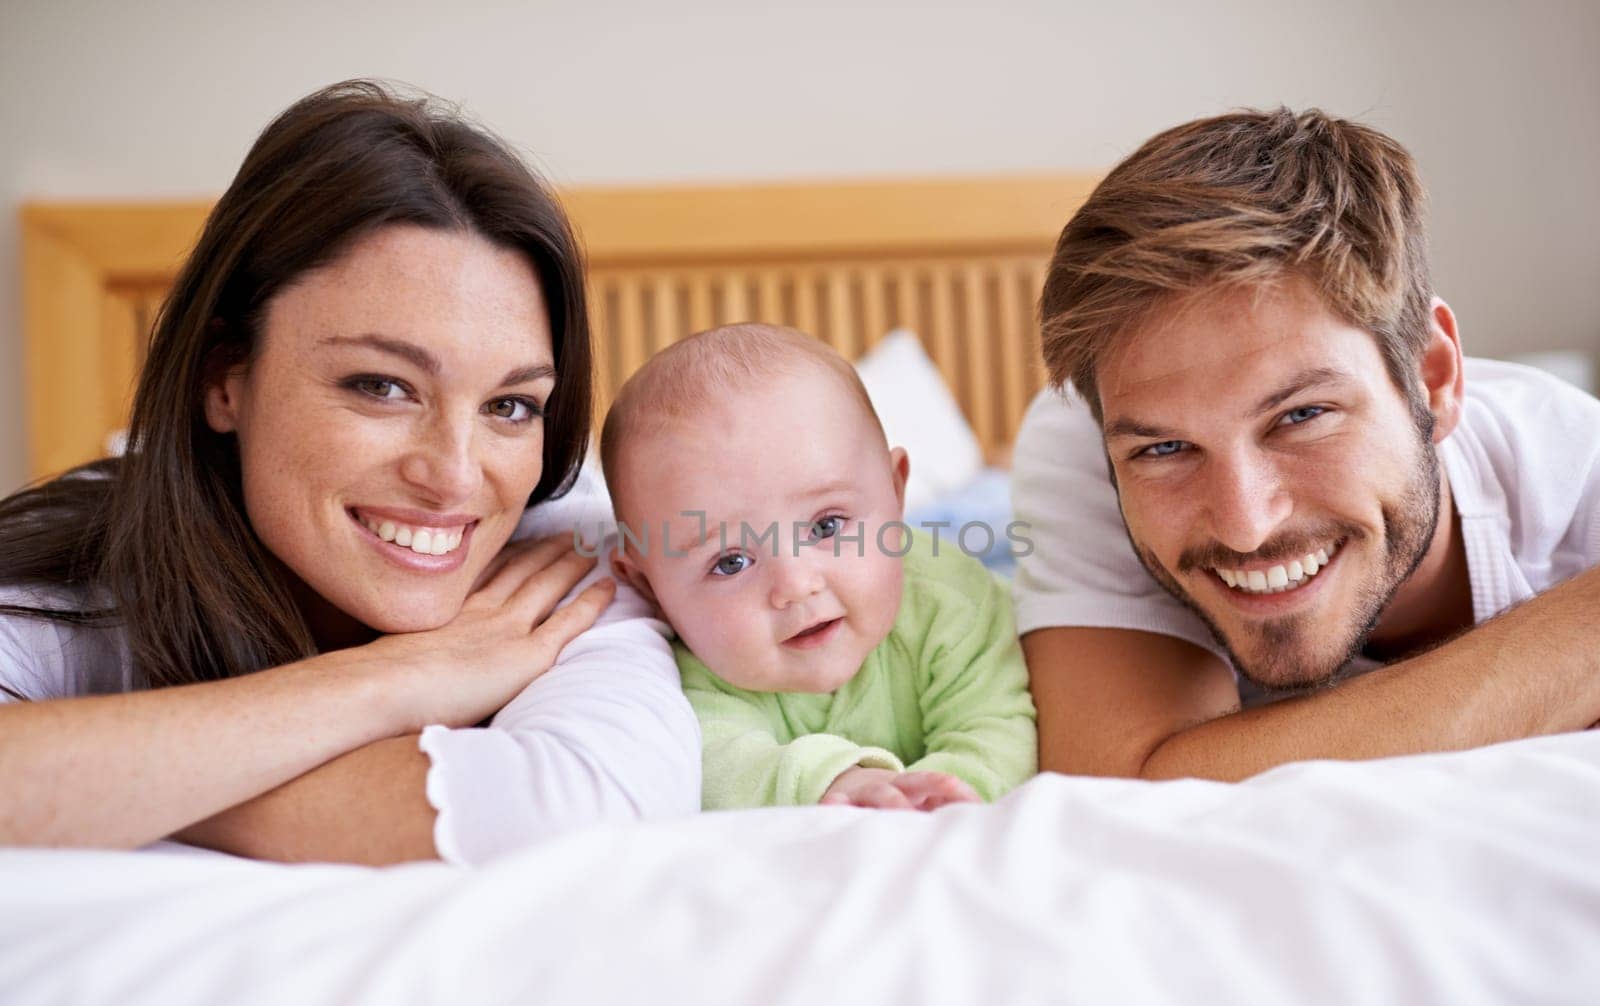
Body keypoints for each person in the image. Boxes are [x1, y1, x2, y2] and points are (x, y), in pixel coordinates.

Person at [0, 81, 700, 864]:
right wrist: (390, 680)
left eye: (509, 405)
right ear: (224, 378)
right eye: (382, 386)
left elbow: (584, 811)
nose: (455, 476)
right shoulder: (75, 584)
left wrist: (116, 784)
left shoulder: (561, 559)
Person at [1013, 107, 1600, 782]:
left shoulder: (1578, 487)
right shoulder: (1085, 435)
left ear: (1434, 377)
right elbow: (1128, 782)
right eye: (1167, 450)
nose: (1244, 525)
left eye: (1302, 415)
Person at [599, 324, 1037, 811]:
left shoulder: (953, 601)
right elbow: (711, 766)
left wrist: (927, 803)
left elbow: (999, 732)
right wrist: (834, 783)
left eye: (827, 526)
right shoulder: (680, 669)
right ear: (648, 584)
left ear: (894, 494)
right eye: (731, 561)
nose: (795, 585)